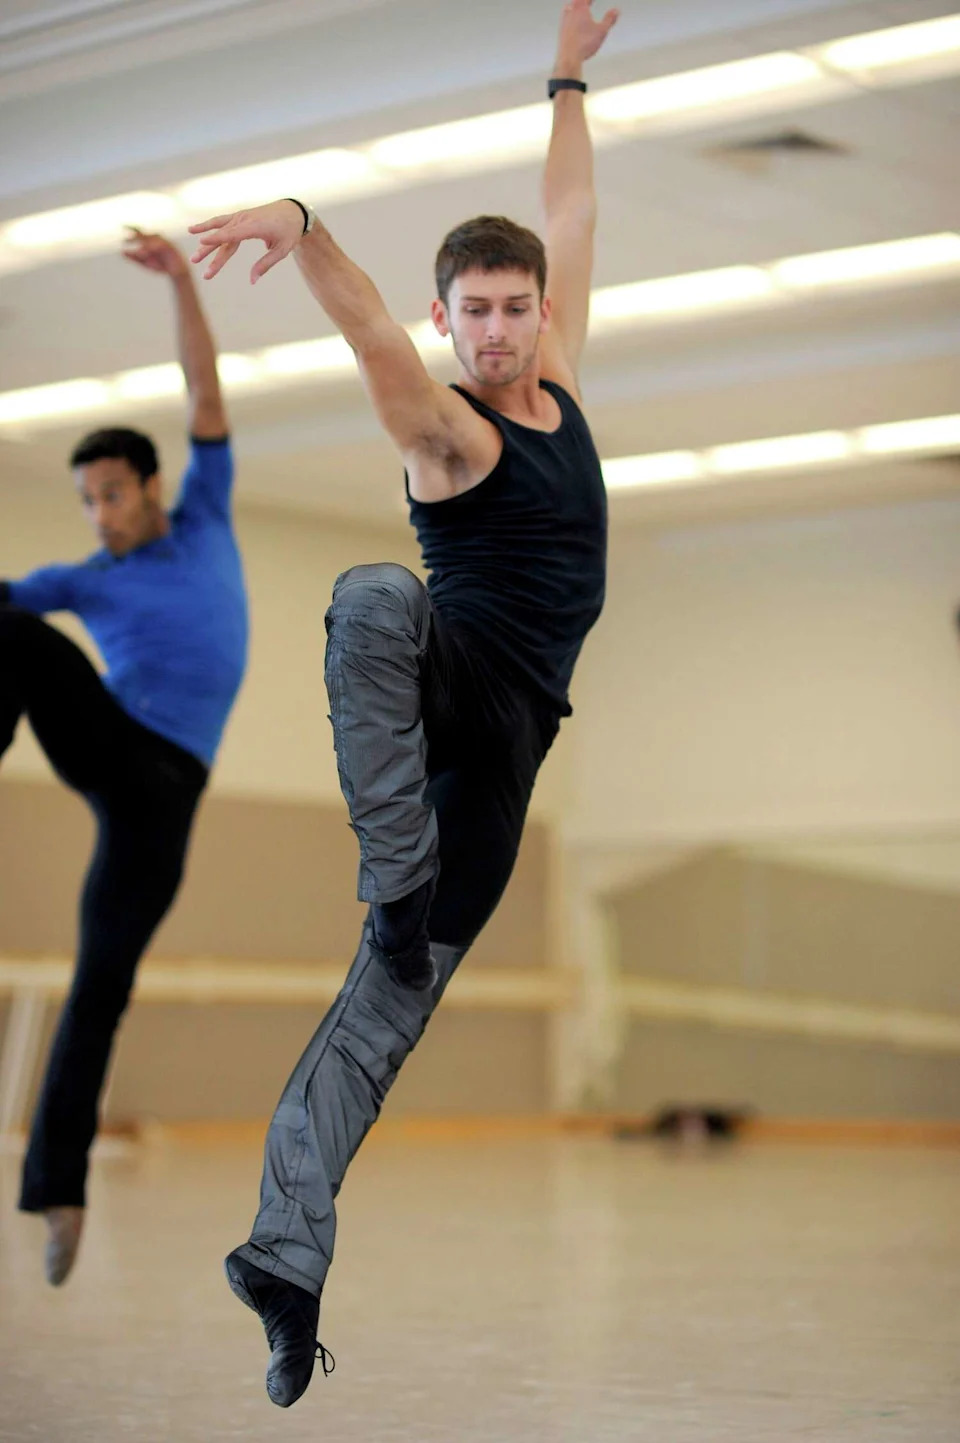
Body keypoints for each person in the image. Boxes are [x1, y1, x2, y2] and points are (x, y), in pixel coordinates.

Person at [189, 0, 617, 1408]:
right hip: (443, 692)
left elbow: (570, 200)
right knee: (376, 592)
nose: (495, 330)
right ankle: (388, 860)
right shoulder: (449, 427)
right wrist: (308, 226)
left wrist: (564, 73)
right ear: (449, 320)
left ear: (539, 309)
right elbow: (370, 327)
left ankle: (285, 1264)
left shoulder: (560, 377)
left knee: (380, 1018)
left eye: (514, 305)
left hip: (507, 764)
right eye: (471, 311)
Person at [0, 231, 249, 1285]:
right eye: (86, 502)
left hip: (165, 801)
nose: (100, 515)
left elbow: (203, 384)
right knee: (12, 632)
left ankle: (58, 1194)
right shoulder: (85, 578)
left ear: (149, 486)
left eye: (111, 493)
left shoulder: (203, 521)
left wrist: (186, 283)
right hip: (109, 746)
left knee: (101, 985)